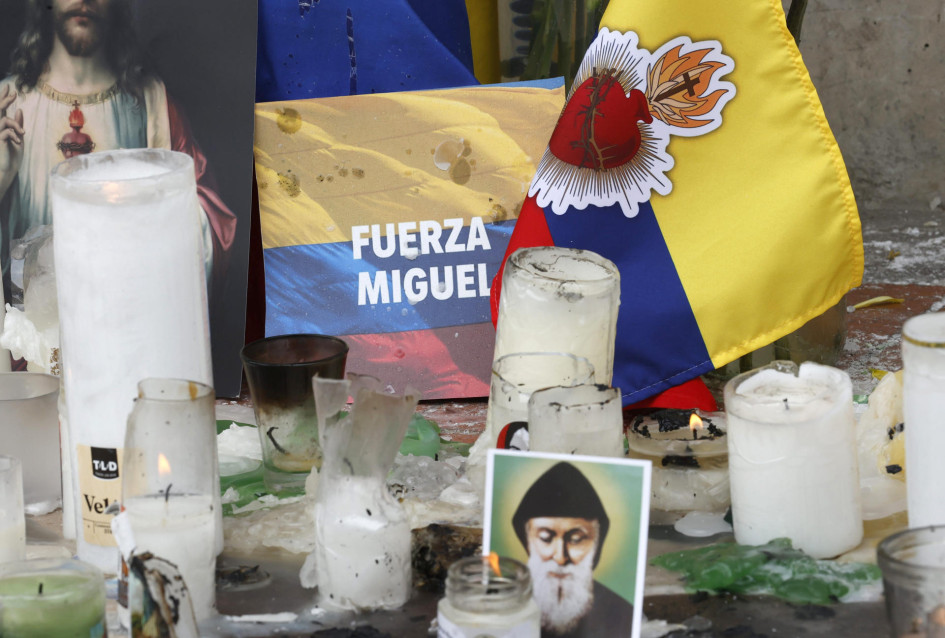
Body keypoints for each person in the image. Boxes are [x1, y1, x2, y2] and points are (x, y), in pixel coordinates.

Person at [0, 0, 237, 298]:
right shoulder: (8, 104)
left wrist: (144, 205)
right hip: (29, 332)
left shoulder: (152, 104)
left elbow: (212, 230)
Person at [512, 462, 634, 637]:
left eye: (576, 540)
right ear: (528, 541)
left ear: (596, 544)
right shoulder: (501, 606)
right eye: (546, 538)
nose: (561, 557)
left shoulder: (622, 613)